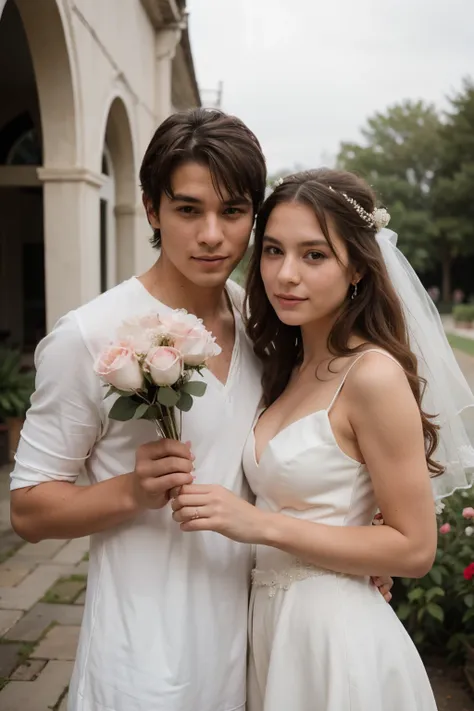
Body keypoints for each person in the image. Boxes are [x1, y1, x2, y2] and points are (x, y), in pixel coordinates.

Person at [10, 113, 392, 711]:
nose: (212, 235)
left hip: (258, 650)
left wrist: (350, 540)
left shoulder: (263, 326)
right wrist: (129, 491)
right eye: (189, 210)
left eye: (233, 212)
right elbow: (29, 510)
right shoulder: (87, 336)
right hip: (143, 660)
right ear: (152, 209)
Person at [170, 169, 474, 710]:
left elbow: (415, 547)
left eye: (314, 255)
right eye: (272, 250)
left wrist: (259, 524)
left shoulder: (372, 376)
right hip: (273, 629)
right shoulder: (286, 368)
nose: (286, 274)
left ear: (356, 266)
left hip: (336, 640)